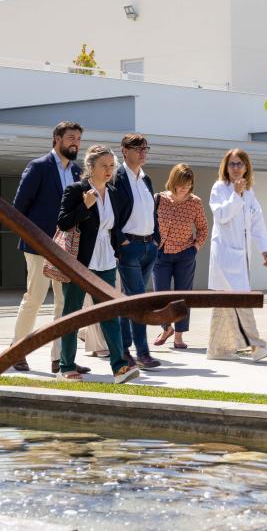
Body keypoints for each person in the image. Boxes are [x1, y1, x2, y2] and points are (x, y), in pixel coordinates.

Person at [56, 145, 141, 384]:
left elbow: (113, 227)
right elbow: (63, 222)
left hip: (105, 260)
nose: (109, 170)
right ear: (90, 167)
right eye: (104, 165)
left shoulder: (114, 192)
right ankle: (66, 365)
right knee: (71, 315)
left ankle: (119, 367)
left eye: (112, 166)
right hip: (79, 262)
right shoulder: (76, 190)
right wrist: (85, 207)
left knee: (109, 314)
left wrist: (119, 247)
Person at [11, 121, 90, 375]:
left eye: (78, 138)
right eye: (70, 137)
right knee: (34, 298)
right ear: (56, 138)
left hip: (67, 248)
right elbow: (19, 207)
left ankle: (60, 358)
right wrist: (32, 239)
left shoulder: (78, 171)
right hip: (38, 245)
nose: (75, 142)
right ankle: (17, 352)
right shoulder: (38, 167)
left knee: (64, 303)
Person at [207, 148, 267, 361]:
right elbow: (221, 216)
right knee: (241, 299)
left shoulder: (250, 193)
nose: (235, 168)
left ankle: (218, 350)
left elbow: (257, 223)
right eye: (231, 164)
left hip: (240, 256)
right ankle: (256, 346)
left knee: (225, 304)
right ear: (225, 168)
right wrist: (235, 195)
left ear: (247, 167)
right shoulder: (220, 188)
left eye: (239, 164)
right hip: (225, 254)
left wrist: (264, 248)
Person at [113, 133, 162, 369]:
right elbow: (111, 213)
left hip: (148, 247)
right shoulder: (117, 177)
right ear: (124, 150)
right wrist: (121, 241)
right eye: (138, 148)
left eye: (146, 148)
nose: (143, 152)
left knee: (130, 303)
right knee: (140, 301)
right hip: (129, 247)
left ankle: (124, 349)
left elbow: (152, 212)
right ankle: (142, 353)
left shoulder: (146, 179)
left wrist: (156, 239)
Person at [152, 164, 208, 349]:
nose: (185, 189)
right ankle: (166, 328)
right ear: (173, 182)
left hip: (185, 254)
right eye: (182, 185)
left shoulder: (195, 202)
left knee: (183, 296)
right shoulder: (158, 199)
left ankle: (179, 336)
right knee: (161, 295)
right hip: (160, 254)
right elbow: (148, 223)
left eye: (189, 186)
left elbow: (203, 229)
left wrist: (194, 249)